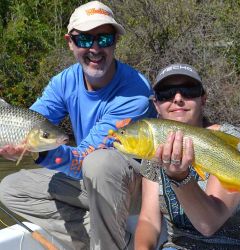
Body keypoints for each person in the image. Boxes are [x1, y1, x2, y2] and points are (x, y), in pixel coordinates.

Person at [0, 1, 156, 250]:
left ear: (116, 41)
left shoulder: (135, 92)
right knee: (11, 188)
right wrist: (19, 145)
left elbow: (85, 159)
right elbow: (29, 121)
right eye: (84, 39)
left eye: (104, 38)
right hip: (89, 180)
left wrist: (40, 150)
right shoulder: (63, 82)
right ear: (70, 42)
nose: (94, 48)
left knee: (100, 162)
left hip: (135, 189)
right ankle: (109, 242)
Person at [134, 63, 240, 250]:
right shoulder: (153, 148)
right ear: (156, 104)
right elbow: (149, 220)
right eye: (166, 93)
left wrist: (180, 178)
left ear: (203, 99)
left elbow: (208, 224)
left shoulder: (231, 139)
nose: (178, 98)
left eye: (189, 90)